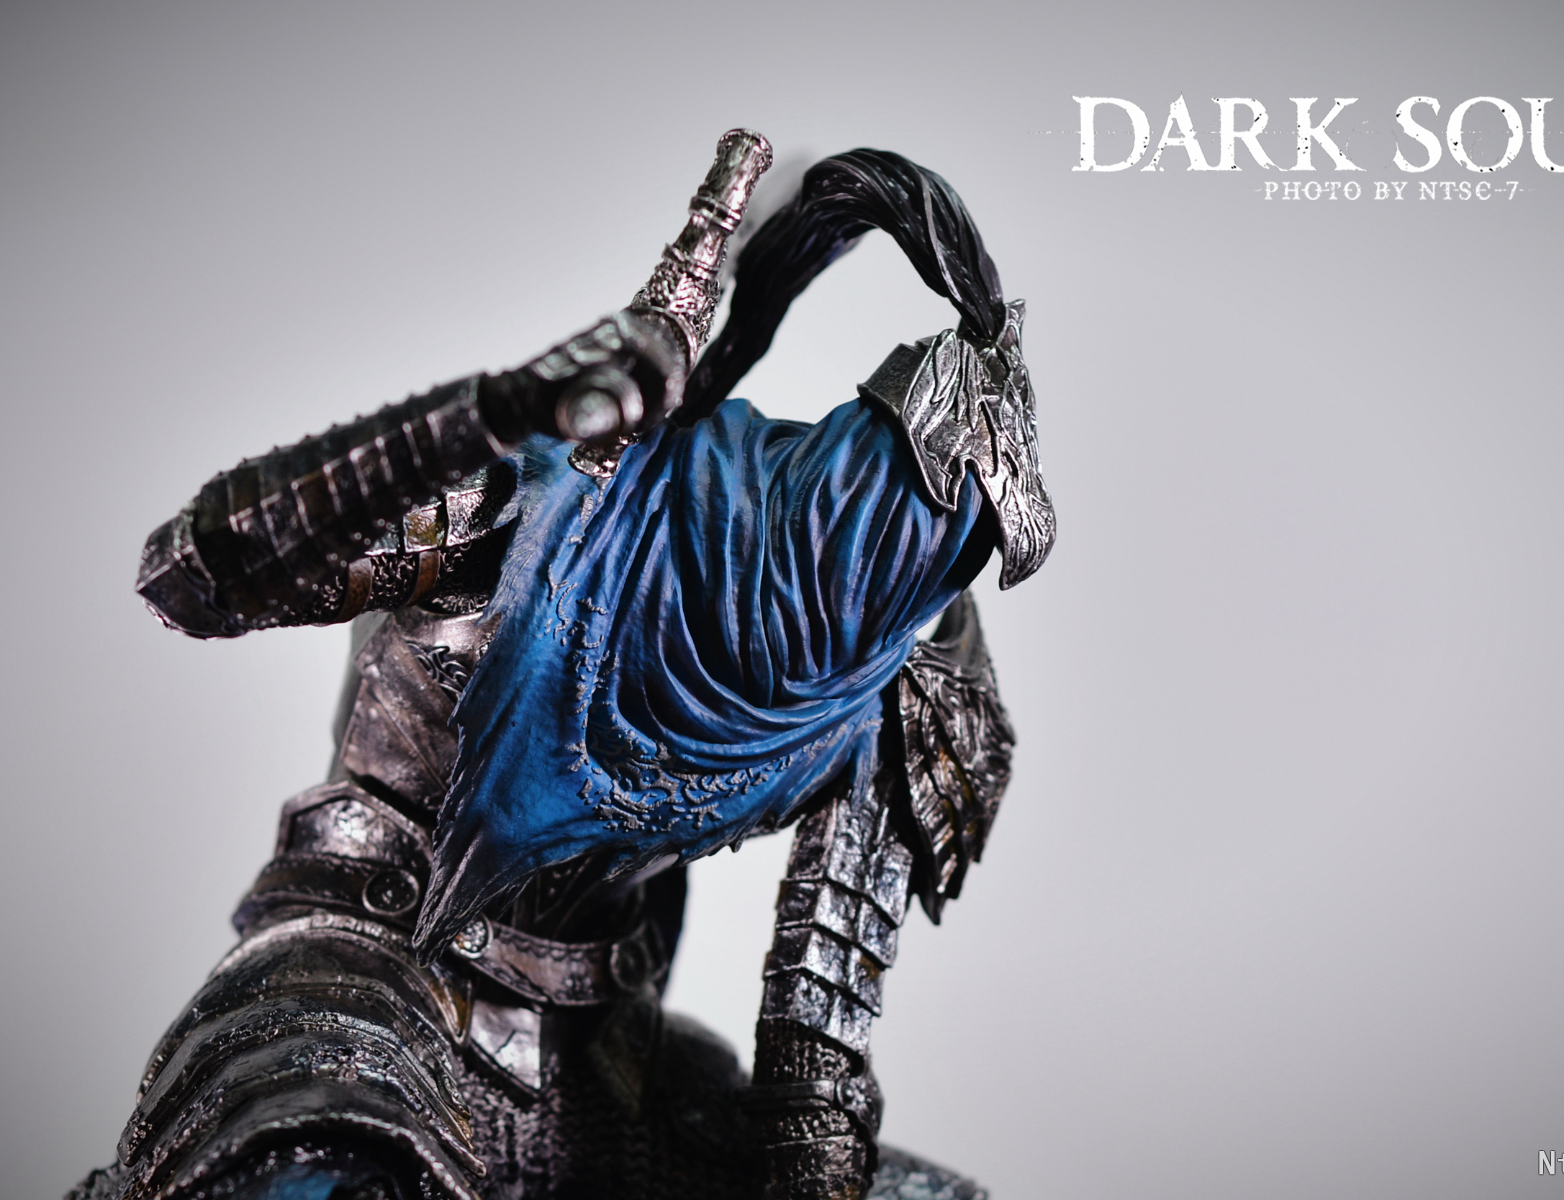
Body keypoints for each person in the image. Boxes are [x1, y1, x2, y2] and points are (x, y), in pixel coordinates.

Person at [69, 131, 1052, 1200]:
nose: (879, 600)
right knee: (318, 1173)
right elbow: (196, 573)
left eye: (936, 563)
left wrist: (817, 1180)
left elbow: (815, 1045)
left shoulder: (902, 675)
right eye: (872, 544)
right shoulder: (542, 510)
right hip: (364, 969)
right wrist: (504, 411)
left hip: (605, 1045)